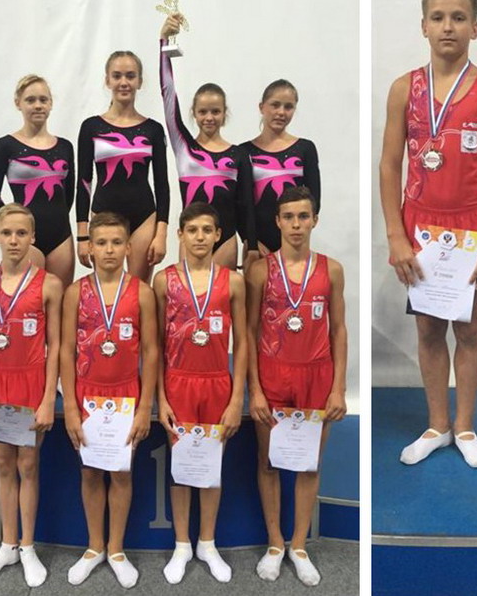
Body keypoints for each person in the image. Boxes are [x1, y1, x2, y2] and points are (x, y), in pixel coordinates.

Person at [379, 0, 477, 467]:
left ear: (475, 27)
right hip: (420, 226)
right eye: (438, 17)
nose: (448, 26)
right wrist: (396, 235)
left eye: (459, 17)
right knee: (429, 330)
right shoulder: (404, 89)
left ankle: (466, 426)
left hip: (472, 224)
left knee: (470, 329)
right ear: (423, 25)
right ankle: (437, 424)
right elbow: (389, 164)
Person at [246, 186, 347, 585]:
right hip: (272, 373)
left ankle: (299, 545)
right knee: (267, 461)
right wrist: (255, 389)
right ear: (277, 221)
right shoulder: (260, 271)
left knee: (309, 462)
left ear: (314, 220)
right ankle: (275, 543)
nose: (296, 225)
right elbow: (250, 332)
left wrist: (338, 388)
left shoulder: (331, 270)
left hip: (316, 375)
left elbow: (338, 330)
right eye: (288, 217)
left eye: (303, 216)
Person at [0, 203, 62, 587]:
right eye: (7, 233)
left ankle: (27, 546)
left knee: (29, 465)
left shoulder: (49, 284)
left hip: (30, 383)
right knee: (4, 465)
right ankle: (7, 544)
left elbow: (56, 346)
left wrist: (48, 398)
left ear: (33, 237)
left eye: (22, 233)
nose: (14, 240)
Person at [61, 212, 158, 588]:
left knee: (120, 472)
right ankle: (94, 546)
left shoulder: (142, 292)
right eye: (101, 242)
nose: (109, 250)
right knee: (89, 471)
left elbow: (151, 352)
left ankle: (116, 549)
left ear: (129, 247)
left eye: (117, 242)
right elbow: (66, 350)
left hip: (125, 395)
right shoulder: (75, 293)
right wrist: (71, 406)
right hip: (87, 394)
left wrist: (145, 406)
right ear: (90, 248)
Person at [152, 202, 246, 584]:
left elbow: (244, 343)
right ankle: (181, 544)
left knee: (210, 463)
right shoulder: (163, 281)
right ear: (180, 235)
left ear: (218, 235)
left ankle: (207, 542)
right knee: (181, 465)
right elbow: (156, 345)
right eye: (192, 230)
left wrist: (237, 398)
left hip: (217, 382)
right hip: (178, 381)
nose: (200, 237)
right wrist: (161, 397)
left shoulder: (233, 282)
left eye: (207, 230)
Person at [159, 14, 257, 270]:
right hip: (191, 236)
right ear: (194, 113)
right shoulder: (184, 147)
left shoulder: (238, 155)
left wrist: (251, 244)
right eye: (203, 112)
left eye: (215, 111)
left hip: (226, 239)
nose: (209, 117)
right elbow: (168, 93)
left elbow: (245, 204)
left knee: (222, 294)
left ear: (224, 113)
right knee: (190, 293)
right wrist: (163, 43)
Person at [76, 51, 169, 282]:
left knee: (139, 290)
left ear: (140, 81)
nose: (124, 82)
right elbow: (84, 182)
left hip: (144, 217)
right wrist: (82, 235)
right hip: (103, 213)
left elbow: (162, 185)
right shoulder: (91, 127)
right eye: (117, 76)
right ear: (107, 80)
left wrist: (161, 233)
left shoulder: (153, 129)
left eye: (130, 75)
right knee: (107, 288)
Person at [0, 75, 76, 286]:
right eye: (30, 100)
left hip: (61, 236)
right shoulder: (6, 146)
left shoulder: (65, 147)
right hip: (25, 238)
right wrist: (12, 225)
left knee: (61, 300)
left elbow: (68, 195)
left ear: (51, 103)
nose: (38, 105)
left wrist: (57, 219)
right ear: (18, 103)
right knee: (29, 300)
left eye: (43, 100)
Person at [239, 79, 320, 262]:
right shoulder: (244, 152)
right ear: (262, 107)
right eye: (275, 105)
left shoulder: (305, 148)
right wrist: (250, 241)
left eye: (288, 107)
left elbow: (314, 200)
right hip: (258, 245)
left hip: (294, 241)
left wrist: (297, 236)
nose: (281, 112)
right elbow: (243, 203)